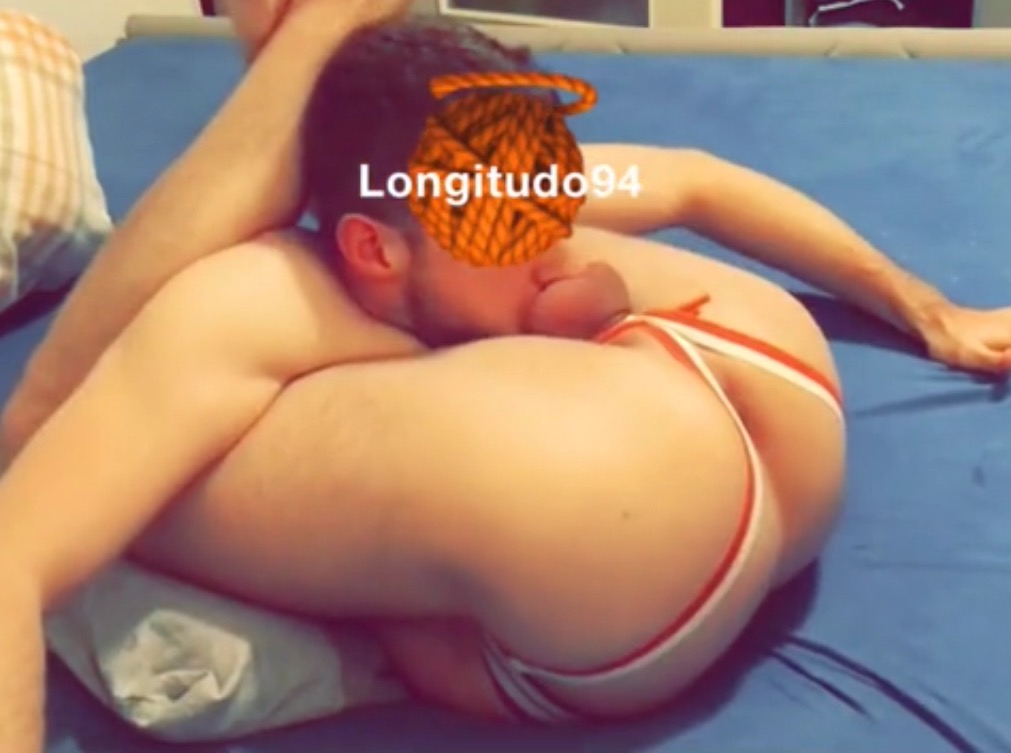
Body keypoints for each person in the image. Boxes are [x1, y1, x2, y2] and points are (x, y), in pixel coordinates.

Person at [4, 1, 1011, 748]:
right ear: (373, 248)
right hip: (750, 427)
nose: (558, 244)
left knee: (71, 453)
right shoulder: (259, 292)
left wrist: (929, 310)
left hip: (659, 518)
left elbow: (695, 179)